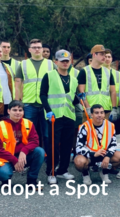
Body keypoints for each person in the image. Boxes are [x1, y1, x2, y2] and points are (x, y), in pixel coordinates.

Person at [40, 50, 81, 184]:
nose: (65, 63)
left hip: (69, 115)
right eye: (62, 61)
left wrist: (79, 98)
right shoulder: (49, 76)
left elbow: (70, 98)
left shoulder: (74, 79)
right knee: (53, 145)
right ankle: (51, 172)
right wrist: (48, 110)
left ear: (70, 62)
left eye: (67, 61)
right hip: (54, 116)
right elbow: (43, 95)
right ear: (55, 62)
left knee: (67, 145)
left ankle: (63, 170)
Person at [0, 100, 45, 189]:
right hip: (6, 157)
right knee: (4, 173)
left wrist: (24, 151)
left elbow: (35, 141)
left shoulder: (28, 124)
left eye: (20, 110)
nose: (17, 113)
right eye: (14, 110)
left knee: (39, 151)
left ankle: (32, 181)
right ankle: (5, 181)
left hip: (23, 156)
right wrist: (14, 160)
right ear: (8, 111)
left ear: (23, 112)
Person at [75, 104, 120, 185]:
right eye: (96, 113)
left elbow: (113, 144)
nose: (99, 115)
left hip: (104, 154)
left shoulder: (110, 125)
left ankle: (103, 171)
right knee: (79, 162)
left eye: (101, 112)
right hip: (89, 156)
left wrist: (107, 156)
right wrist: (93, 154)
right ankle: (85, 173)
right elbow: (78, 147)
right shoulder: (85, 126)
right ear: (91, 114)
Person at [15, 39, 54, 147]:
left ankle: (48, 157)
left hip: (46, 105)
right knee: (28, 133)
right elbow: (17, 86)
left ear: (42, 49)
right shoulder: (23, 64)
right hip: (28, 104)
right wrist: (17, 103)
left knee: (47, 134)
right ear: (29, 50)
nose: (37, 49)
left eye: (39, 47)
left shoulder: (51, 64)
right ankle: (29, 156)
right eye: (34, 47)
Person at [78, 45, 118, 121]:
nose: (104, 57)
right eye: (101, 54)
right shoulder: (84, 71)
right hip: (90, 111)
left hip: (105, 110)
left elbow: (113, 91)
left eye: (105, 55)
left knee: (106, 132)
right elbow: (81, 92)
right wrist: (88, 108)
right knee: (89, 132)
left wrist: (114, 109)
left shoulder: (108, 72)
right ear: (94, 54)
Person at [103, 49, 120, 135]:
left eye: (109, 57)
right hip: (104, 107)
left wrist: (118, 108)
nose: (107, 59)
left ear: (112, 58)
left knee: (114, 133)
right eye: (105, 57)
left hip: (115, 108)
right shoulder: (100, 73)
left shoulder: (118, 74)